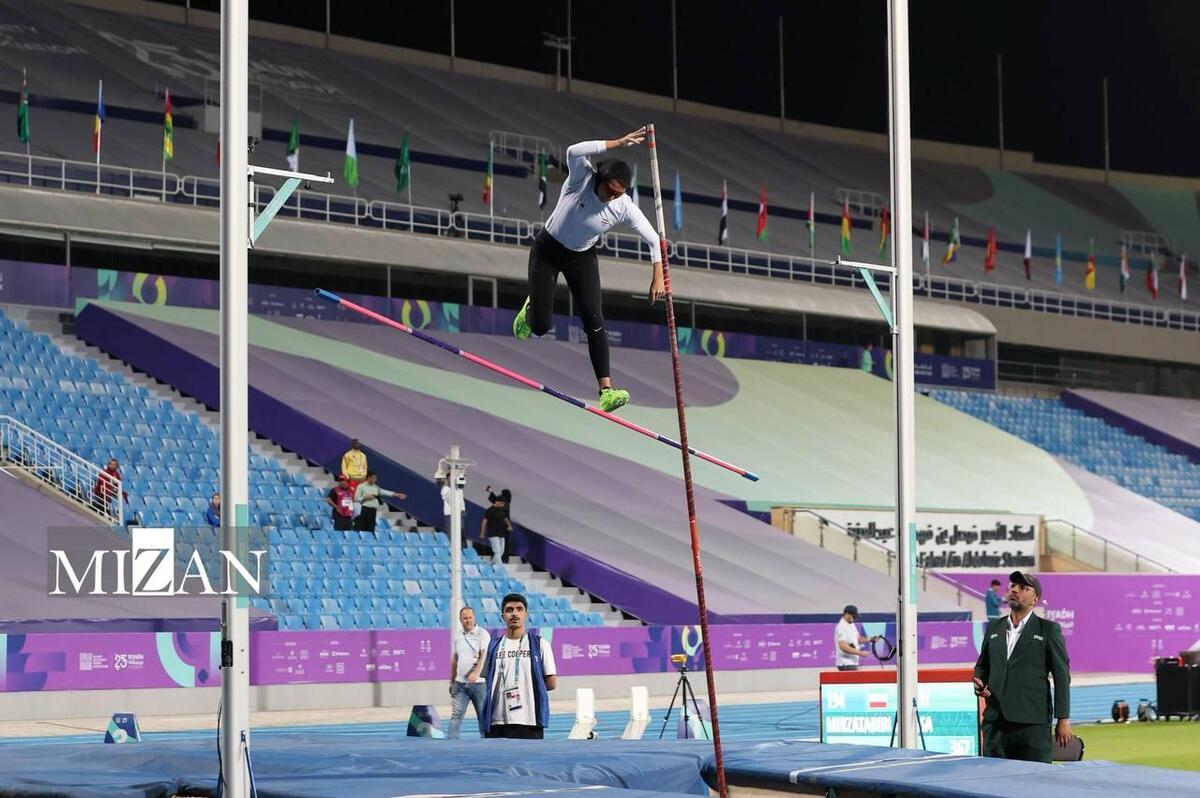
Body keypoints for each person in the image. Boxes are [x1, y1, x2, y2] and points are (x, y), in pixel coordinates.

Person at [512, 127, 665, 413]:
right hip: (547, 250)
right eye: (610, 190)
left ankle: (606, 391)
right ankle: (531, 308)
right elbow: (573, 150)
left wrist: (657, 274)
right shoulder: (581, 178)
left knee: (595, 320)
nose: (612, 197)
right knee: (541, 327)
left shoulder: (623, 206)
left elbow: (654, 239)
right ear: (601, 178)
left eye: (619, 193)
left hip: (581, 257)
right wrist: (617, 143)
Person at [973, 571, 1072, 763]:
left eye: (1023, 588)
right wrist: (979, 684)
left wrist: (1063, 718)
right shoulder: (994, 628)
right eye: (1012, 586)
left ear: (1034, 600)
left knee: (1034, 784)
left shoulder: (1049, 630)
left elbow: (1061, 676)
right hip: (996, 723)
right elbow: (982, 666)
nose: (1015, 590)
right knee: (992, 784)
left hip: (1032, 724)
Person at [480, 593, 557, 739]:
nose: (514, 613)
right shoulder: (493, 646)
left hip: (529, 721)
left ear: (526, 614)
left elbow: (551, 682)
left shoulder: (540, 644)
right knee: (496, 763)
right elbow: (487, 678)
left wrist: (526, 689)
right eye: (509, 610)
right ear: (502, 615)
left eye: (519, 609)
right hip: (497, 721)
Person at [447, 606, 490, 739]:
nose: (468, 620)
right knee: (456, 715)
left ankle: (487, 742)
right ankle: (451, 742)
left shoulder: (482, 634)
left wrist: (476, 673)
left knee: (482, 716)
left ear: (474, 618)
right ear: (460, 620)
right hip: (460, 684)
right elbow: (455, 659)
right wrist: (452, 680)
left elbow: (484, 655)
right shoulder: (458, 636)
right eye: (465, 618)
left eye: (470, 617)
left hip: (479, 685)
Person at [834, 605, 878, 671]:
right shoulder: (841, 627)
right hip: (846, 663)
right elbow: (843, 646)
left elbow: (858, 639)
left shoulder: (851, 624)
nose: (855, 618)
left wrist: (870, 639)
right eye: (853, 616)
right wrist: (861, 653)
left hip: (852, 662)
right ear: (847, 614)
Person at [481, 495, 512, 565]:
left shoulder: (502, 510)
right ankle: (500, 566)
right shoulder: (489, 510)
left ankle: (491, 565)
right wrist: (482, 533)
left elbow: (505, 518)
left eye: (503, 504)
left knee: (501, 551)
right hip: (493, 534)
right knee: (497, 551)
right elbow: (484, 522)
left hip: (501, 533)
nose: (502, 505)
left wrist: (509, 525)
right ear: (497, 502)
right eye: (502, 503)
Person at [439, 474, 465, 540]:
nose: (452, 479)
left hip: (459, 514)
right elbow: (450, 500)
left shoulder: (459, 489)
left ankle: (459, 548)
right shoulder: (445, 489)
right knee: (452, 533)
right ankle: (452, 548)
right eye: (451, 478)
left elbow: (461, 500)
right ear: (448, 479)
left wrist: (462, 509)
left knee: (460, 532)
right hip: (450, 514)